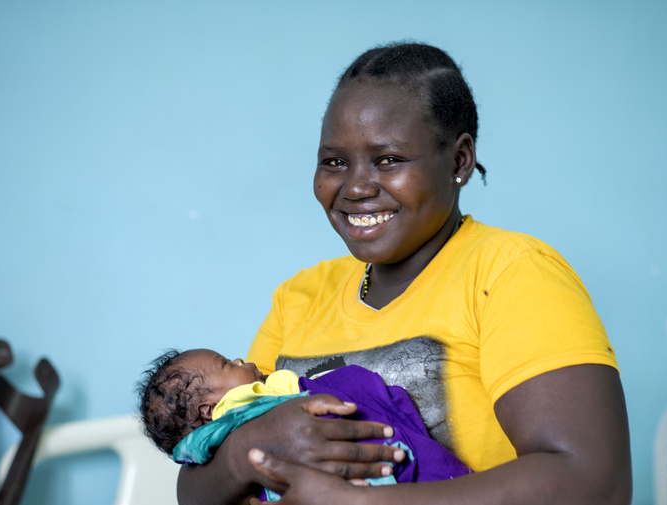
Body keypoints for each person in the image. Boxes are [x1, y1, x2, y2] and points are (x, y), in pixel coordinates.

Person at [177, 41, 632, 505]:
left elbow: (593, 482)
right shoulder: (300, 297)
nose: (355, 186)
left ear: (459, 161)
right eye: (334, 161)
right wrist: (247, 450)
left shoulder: (511, 274)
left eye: (389, 159)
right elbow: (197, 487)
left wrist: (362, 502)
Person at [137, 348, 470, 500]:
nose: (240, 359)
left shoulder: (203, 443)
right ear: (211, 410)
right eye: (226, 363)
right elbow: (191, 492)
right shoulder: (240, 403)